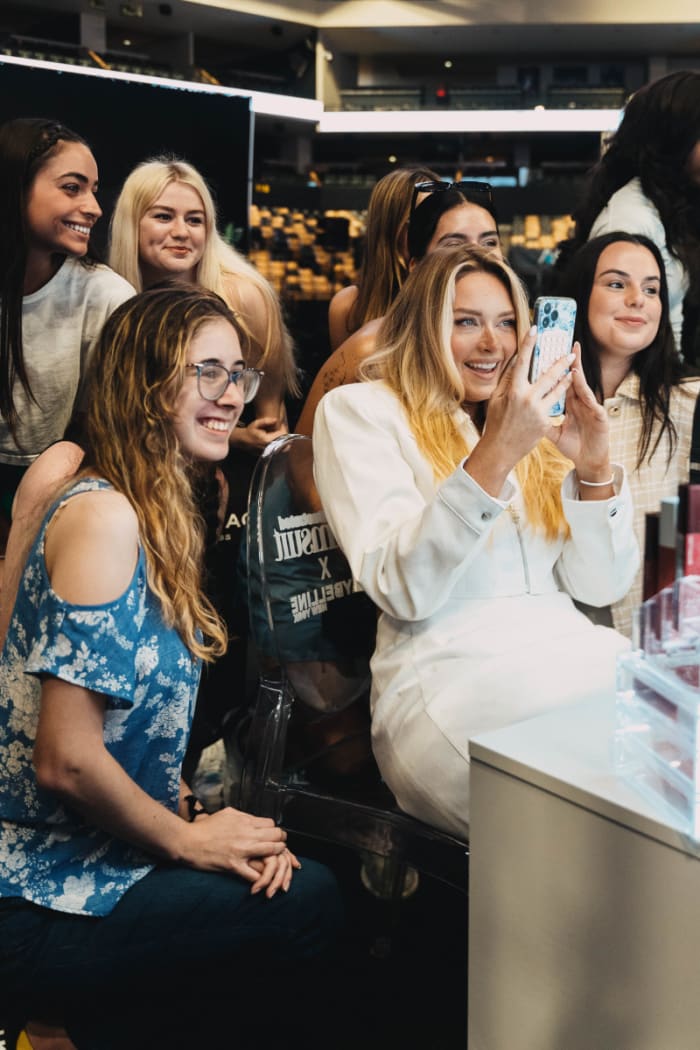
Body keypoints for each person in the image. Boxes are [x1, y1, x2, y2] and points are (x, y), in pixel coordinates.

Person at [0, 284, 340, 1049]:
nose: (231, 396)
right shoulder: (102, 513)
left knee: (279, 870)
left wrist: (193, 817)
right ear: (146, 384)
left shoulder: (157, 512)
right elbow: (65, 762)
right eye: (207, 373)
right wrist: (192, 843)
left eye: (238, 375)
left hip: (99, 867)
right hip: (38, 892)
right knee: (309, 905)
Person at [312, 244, 638, 839]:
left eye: (507, 322)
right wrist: (498, 451)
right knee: (605, 821)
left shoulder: (533, 420)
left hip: (574, 656)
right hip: (445, 680)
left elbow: (601, 586)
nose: (493, 343)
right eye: (466, 321)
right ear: (423, 328)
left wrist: (593, 468)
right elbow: (402, 588)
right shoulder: (360, 412)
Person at [0, 117, 134, 558]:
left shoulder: (107, 295)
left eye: (94, 189)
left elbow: (109, 433)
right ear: (15, 187)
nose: (94, 207)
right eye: (72, 187)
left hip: (66, 483)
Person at [556, 232, 700, 637]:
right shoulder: (538, 409)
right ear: (581, 295)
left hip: (667, 646)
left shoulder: (690, 402)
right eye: (617, 284)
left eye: (652, 289)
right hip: (564, 652)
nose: (638, 298)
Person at [108, 155, 298, 452]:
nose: (182, 232)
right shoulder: (114, 297)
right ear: (131, 223)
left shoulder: (243, 295)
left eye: (195, 220)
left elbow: (270, 428)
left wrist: (239, 440)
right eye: (163, 216)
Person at [296, 179, 502, 436]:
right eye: (454, 244)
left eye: (489, 243)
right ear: (416, 265)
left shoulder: (515, 340)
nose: (476, 255)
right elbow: (304, 448)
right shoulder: (374, 345)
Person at [555, 70, 700, 356]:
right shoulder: (634, 219)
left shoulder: (672, 208)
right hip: (638, 390)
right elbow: (623, 339)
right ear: (674, 140)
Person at [327, 165, 438, 351]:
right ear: (391, 230)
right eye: (422, 222)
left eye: (440, 219)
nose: (436, 232)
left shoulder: (463, 297)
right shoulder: (348, 307)